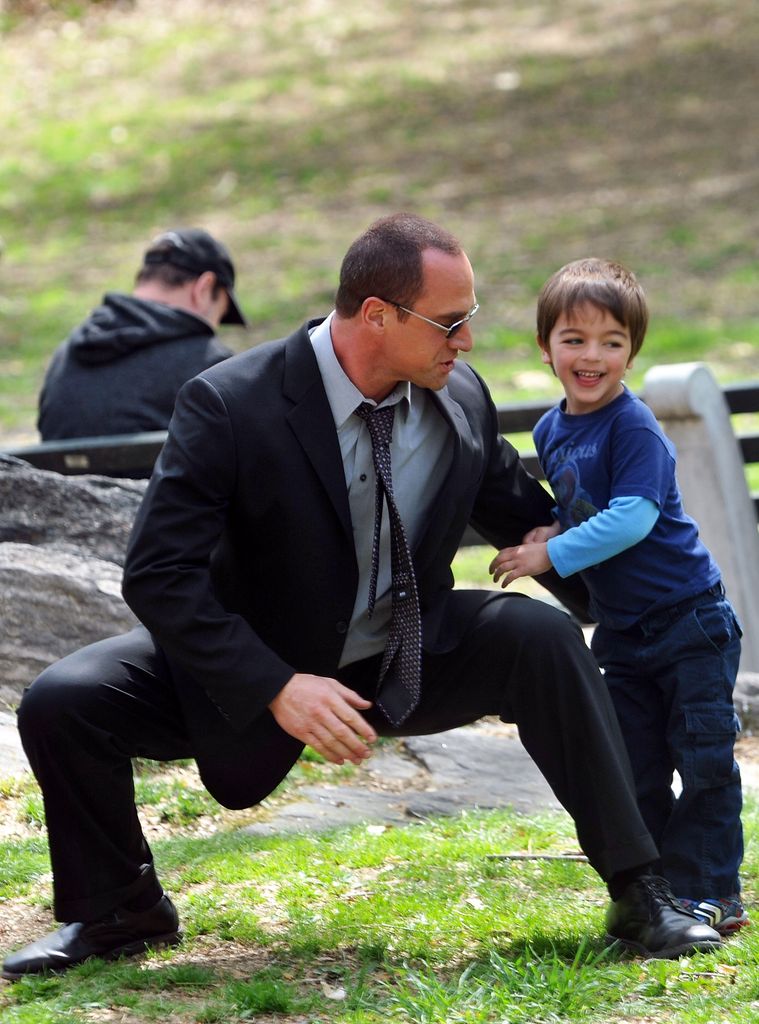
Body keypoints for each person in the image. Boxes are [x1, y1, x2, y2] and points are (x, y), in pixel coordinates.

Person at [2, 216, 722, 982]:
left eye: (467, 320)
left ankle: (640, 894)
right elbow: (158, 573)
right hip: (267, 665)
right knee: (62, 701)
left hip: (411, 656)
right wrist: (273, 685)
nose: (466, 342)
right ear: (377, 315)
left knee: (534, 636)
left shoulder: (459, 398)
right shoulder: (229, 404)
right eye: (450, 323)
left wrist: (661, 591)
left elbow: (528, 519)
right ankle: (120, 910)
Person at [490, 257, 746, 935]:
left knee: (703, 762)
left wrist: (550, 553)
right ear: (544, 348)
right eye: (573, 339)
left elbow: (632, 517)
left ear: (631, 351)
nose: (592, 355)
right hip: (624, 633)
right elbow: (587, 506)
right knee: (633, 764)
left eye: (611, 341)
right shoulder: (550, 429)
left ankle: (712, 892)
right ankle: (656, 892)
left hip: (688, 619)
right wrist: (557, 526)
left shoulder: (632, 427)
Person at [37, 227, 247, 443]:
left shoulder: (67, 352)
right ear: (204, 288)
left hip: (56, 478)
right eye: (219, 315)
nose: (214, 328)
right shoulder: (211, 364)